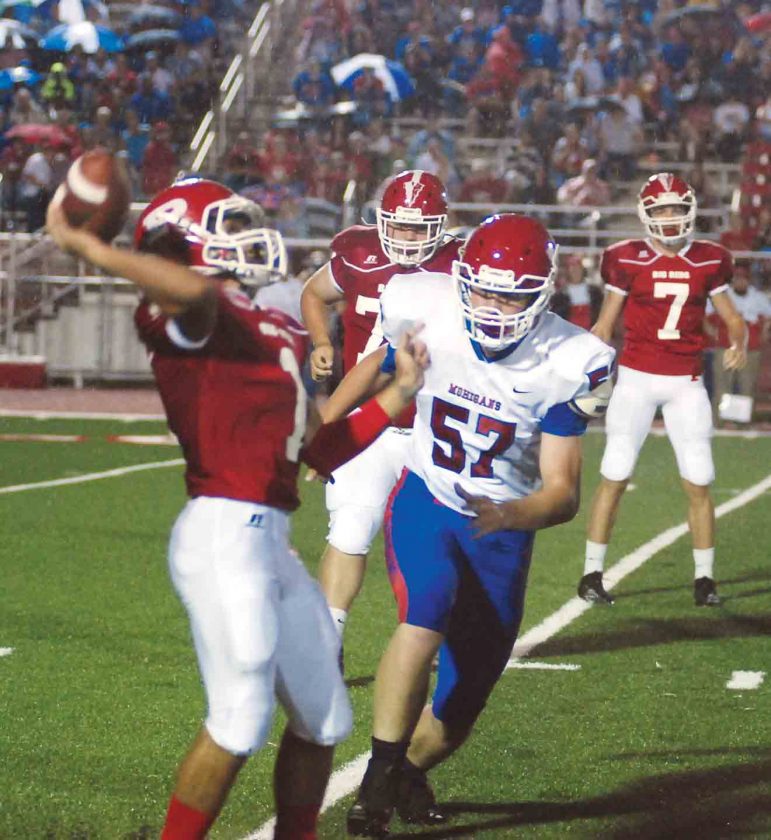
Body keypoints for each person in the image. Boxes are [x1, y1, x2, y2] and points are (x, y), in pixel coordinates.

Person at [45, 177, 428, 840]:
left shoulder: (270, 322)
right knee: (239, 718)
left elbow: (318, 447)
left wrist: (398, 394)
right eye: (226, 226)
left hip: (269, 540)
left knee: (324, 717)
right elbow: (193, 295)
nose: (246, 236)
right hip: (223, 530)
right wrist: (89, 247)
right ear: (180, 242)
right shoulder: (189, 315)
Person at [320, 213, 615, 836]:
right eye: (482, 291)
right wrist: (329, 428)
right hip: (427, 498)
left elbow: (562, 492)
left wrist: (512, 513)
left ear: (542, 294)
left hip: (501, 532)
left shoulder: (571, 360)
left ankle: (408, 771)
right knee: (423, 614)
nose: (493, 307)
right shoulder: (425, 305)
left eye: (511, 295)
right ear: (461, 281)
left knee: (462, 701)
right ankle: (378, 775)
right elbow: (378, 365)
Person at [300, 170, 462, 657]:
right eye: (400, 225)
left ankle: (430, 644)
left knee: (433, 549)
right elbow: (315, 293)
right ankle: (327, 644)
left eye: (418, 227)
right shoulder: (358, 251)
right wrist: (322, 341)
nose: (407, 237)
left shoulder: (460, 265)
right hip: (367, 420)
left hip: (435, 425)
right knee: (350, 528)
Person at [577, 173, 747, 609]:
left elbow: (733, 319)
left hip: (686, 383)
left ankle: (705, 579)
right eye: (662, 209)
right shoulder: (625, 257)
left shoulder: (710, 259)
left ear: (690, 211)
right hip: (635, 379)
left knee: (699, 479)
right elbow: (605, 325)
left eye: (676, 208)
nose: (670, 217)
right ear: (646, 213)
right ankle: (591, 573)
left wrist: (738, 342)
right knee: (615, 474)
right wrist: (588, 364)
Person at [707, 263, 771, 424]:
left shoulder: (758, 297)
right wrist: (712, 333)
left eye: (743, 278)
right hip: (725, 347)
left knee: (746, 388)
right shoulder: (722, 296)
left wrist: (764, 332)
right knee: (722, 386)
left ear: (748, 280)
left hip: (751, 348)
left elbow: (768, 317)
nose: (740, 282)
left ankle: (742, 424)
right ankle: (719, 422)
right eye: (737, 278)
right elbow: (705, 315)